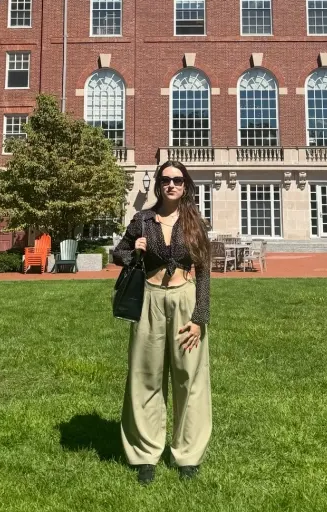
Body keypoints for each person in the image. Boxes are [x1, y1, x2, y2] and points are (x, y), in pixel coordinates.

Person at [112, 160, 211, 485]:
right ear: (158, 184)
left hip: (184, 298)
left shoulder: (195, 222)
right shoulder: (142, 220)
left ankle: (188, 455)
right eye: (166, 179)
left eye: (178, 180)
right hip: (149, 301)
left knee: (189, 378)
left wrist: (199, 318)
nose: (171, 185)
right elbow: (118, 253)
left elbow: (206, 273)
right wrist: (133, 252)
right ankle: (146, 454)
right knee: (146, 377)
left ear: (185, 186)